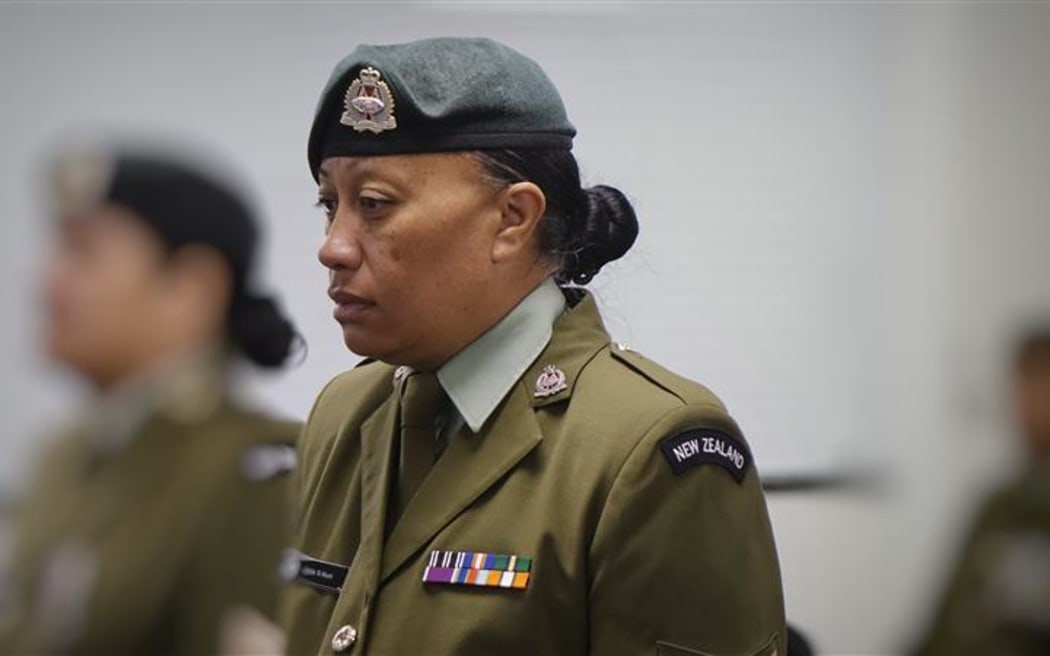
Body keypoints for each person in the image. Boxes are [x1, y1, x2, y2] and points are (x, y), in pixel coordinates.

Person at [280, 37, 785, 656]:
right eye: (329, 205)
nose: (332, 246)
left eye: (374, 205)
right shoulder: (343, 412)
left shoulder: (649, 448)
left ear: (512, 219)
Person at [0, 145, 302, 655]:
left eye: (83, 253)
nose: (49, 282)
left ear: (190, 289)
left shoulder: (255, 472)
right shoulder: (65, 458)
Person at [911, 327, 1050, 655]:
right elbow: (941, 624)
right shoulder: (1000, 503)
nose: (1027, 401)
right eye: (1022, 381)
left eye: (1041, 381)